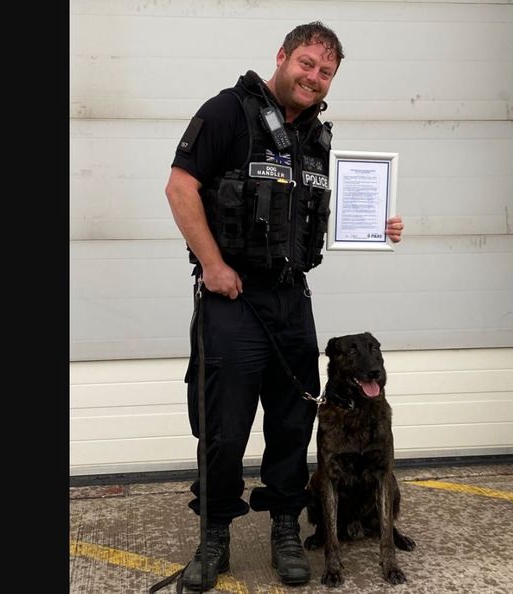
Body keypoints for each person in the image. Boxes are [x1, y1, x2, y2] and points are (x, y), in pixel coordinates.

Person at [164, 21, 404, 590]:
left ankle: (285, 530)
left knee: (294, 424)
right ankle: (214, 537)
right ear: (282, 57)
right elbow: (179, 186)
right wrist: (213, 264)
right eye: (307, 63)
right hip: (232, 298)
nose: (314, 77)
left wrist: (379, 225)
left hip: (292, 300)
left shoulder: (316, 137)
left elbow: (320, 215)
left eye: (326, 72)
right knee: (224, 429)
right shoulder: (228, 112)